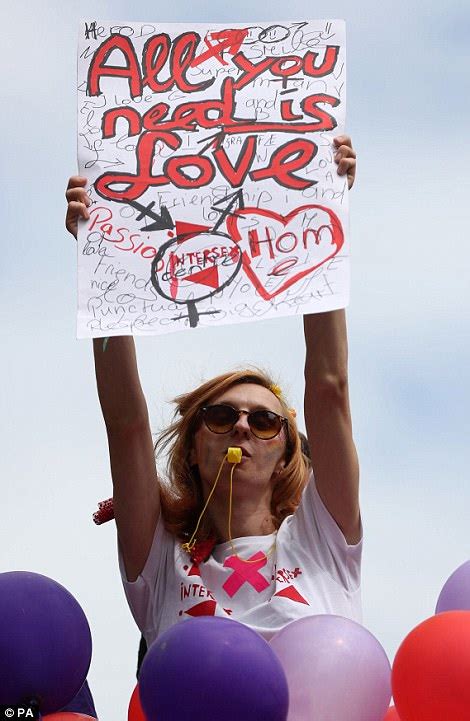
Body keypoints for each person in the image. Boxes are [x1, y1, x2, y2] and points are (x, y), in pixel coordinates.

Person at [65, 135, 358, 695]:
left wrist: (324, 211)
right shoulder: (159, 564)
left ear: (286, 457)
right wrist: (97, 264)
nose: (244, 427)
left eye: (267, 422)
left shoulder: (324, 538)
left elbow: (329, 389)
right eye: (221, 416)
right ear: (194, 447)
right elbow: (124, 422)